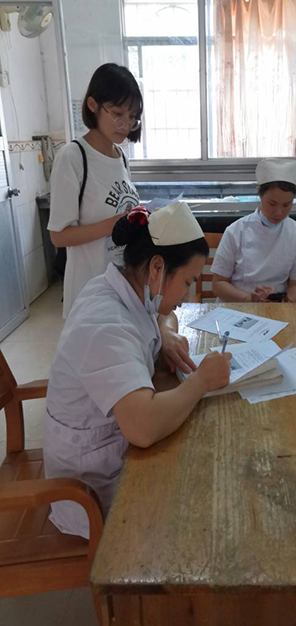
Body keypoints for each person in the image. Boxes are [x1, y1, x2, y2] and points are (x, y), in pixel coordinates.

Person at [43, 202, 231, 539]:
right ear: (157, 267)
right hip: (91, 490)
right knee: (208, 501)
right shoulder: (105, 323)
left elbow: (163, 314)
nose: (186, 296)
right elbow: (143, 428)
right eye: (187, 282)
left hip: (114, 451)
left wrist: (167, 335)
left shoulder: (122, 287)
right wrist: (202, 380)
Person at [48, 63, 143, 318]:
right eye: (117, 113)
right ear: (93, 105)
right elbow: (58, 236)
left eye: (132, 117)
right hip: (88, 292)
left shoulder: (121, 156)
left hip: (121, 287)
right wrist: (114, 224)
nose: (125, 124)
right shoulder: (73, 156)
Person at [211, 159, 296, 303]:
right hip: (238, 306)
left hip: (277, 306)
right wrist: (250, 298)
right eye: (272, 204)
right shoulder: (236, 231)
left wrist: (286, 302)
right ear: (260, 194)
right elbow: (218, 284)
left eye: (286, 205)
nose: (279, 213)